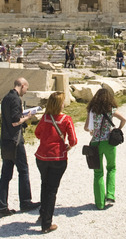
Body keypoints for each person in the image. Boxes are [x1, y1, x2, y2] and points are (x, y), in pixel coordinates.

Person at [0, 78, 41, 216]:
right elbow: (15, 122)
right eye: (26, 88)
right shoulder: (15, 99)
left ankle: (2, 206)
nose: (26, 91)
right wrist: (28, 116)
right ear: (22, 85)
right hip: (15, 140)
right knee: (23, 170)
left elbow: (11, 117)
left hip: (5, 139)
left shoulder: (6, 98)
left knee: (6, 174)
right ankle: (25, 202)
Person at [34, 92, 77, 234]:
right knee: (52, 190)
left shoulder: (45, 118)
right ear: (60, 104)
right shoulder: (66, 119)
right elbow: (73, 140)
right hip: (57, 157)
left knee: (44, 184)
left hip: (41, 156)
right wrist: (67, 146)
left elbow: (37, 133)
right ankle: (47, 224)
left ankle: (43, 213)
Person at [84, 88, 126, 210]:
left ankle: (99, 203)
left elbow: (86, 127)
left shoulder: (91, 111)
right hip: (108, 142)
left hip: (95, 143)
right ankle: (111, 194)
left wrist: (92, 131)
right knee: (111, 168)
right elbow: (124, 119)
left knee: (98, 173)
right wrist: (117, 129)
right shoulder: (111, 110)